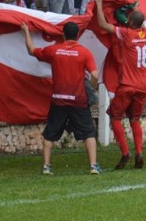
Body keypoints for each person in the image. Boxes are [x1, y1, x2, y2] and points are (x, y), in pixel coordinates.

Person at [21, 21, 101, 175]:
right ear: (77, 35)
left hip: (59, 99)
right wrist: (91, 86)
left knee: (50, 133)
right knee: (89, 132)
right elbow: (95, 75)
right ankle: (93, 166)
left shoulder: (54, 50)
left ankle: (46, 166)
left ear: (63, 35)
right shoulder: (84, 52)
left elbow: (31, 51)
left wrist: (26, 31)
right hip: (78, 100)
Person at [95, 0, 146, 170]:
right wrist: (133, 12)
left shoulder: (127, 34)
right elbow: (139, 23)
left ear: (130, 22)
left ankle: (125, 152)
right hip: (143, 86)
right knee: (135, 119)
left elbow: (103, 25)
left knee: (115, 117)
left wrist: (99, 5)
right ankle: (139, 151)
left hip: (127, 85)